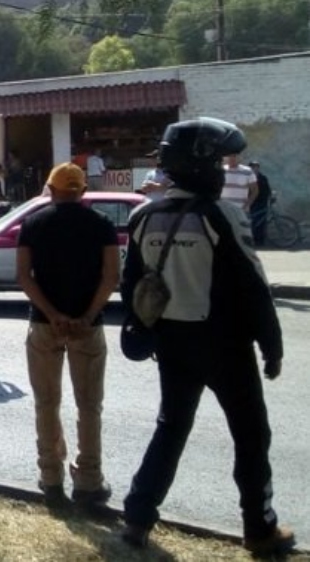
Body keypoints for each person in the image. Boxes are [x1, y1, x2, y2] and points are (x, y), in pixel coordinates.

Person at [119, 118, 294, 557]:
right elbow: (253, 286)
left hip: (171, 344)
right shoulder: (223, 215)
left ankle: (137, 518)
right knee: (251, 435)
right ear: (199, 167)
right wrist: (271, 347)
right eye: (216, 163)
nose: (222, 172)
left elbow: (131, 283)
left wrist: (143, 331)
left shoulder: (144, 215)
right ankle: (260, 529)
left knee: (170, 429)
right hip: (225, 346)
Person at [16, 163, 119, 509]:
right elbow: (111, 277)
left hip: (45, 326)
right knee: (89, 406)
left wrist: (53, 314)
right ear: (82, 191)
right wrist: (87, 315)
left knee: (47, 404)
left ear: (51, 189)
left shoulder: (33, 224)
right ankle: (89, 481)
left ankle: (51, 478)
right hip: (88, 327)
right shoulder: (102, 224)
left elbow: (24, 277)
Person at [248, 161, 273, 246]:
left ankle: (260, 241)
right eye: (253, 167)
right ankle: (251, 239)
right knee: (253, 221)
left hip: (262, 202)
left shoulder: (263, 178)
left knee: (261, 222)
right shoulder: (248, 177)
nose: (255, 168)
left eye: (256, 167)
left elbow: (268, 189)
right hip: (252, 202)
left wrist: (271, 196)